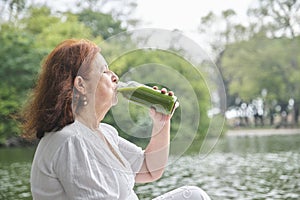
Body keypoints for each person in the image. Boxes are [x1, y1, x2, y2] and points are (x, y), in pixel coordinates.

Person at [21, 39, 211, 200]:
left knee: (193, 195)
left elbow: (149, 169)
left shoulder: (103, 132)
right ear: (80, 84)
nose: (115, 77)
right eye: (104, 71)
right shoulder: (72, 141)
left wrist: (161, 123)